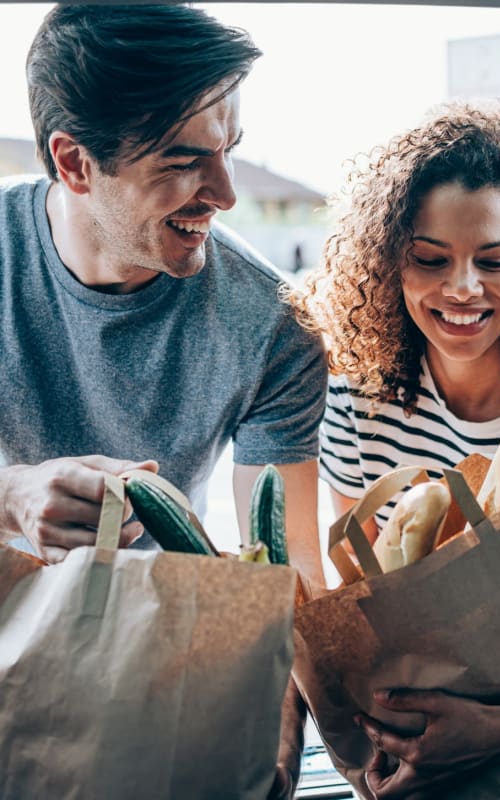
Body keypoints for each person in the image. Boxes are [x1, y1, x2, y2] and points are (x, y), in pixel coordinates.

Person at [0, 5, 328, 797]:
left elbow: (277, 582)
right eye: (184, 161)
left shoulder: (275, 333)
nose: (223, 193)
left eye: (229, 152)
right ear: (74, 163)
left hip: (141, 680)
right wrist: (11, 494)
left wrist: (270, 750)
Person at [290, 101, 500, 798]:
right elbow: (363, 609)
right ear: (389, 265)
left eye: (493, 261)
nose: (462, 288)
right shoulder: (358, 404)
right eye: (430, 260)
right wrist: (373, 746)